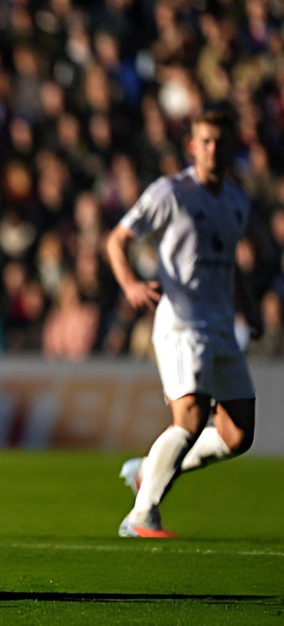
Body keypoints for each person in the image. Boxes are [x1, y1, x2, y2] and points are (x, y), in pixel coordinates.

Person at [106, 107, 263, 538]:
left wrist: (248, 307)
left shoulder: (236, 200)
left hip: (221, 326)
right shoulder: (170, 193)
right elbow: (117, 239)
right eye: (205, 141)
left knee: (237, 435)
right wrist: (130, 284)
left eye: (220, 142)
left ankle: (149, 469)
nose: (212, 149)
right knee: (190, 419)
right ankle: (141, 515)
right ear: (192, 146)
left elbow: (230, 263)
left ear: (231, 148)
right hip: (181, 323)